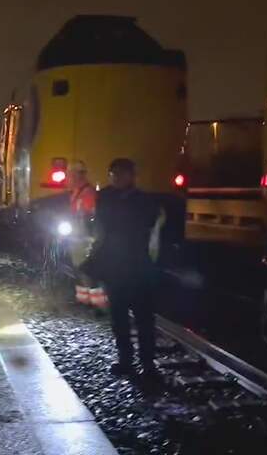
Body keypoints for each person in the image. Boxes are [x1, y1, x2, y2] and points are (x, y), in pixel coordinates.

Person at [85, 158, 165, 378]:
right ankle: (128, 360)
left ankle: (146, 362)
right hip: (121, 266)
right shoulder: (110, 198)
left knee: (142, 317)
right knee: (121, 317)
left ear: (132, 176)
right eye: (114, 173)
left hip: (136, 266)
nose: (117, 177)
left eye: (122, 173)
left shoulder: (139, 201)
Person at [66, 161, 106, 308]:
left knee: (87, 271)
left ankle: (98, 306)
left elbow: (91, 217)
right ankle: (84, 301)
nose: (68, 178)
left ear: (78, 176)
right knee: (80, 270)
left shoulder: (87, 193)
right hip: (78, 239)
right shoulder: (77, 192)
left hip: (85, 240)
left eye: (70, 175)